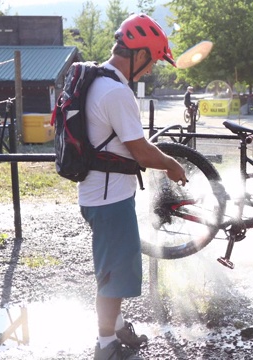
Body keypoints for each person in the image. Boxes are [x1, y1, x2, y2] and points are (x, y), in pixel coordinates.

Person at [81, 13, 187, 360]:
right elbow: (139, 150)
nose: (152, 69)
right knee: (114, 273)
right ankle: (106, 345)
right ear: (138, 54)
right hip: (109, 198)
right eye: (152, 60)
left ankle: (117, 326)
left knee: (111, 267)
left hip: (98, 193)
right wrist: (172, 165)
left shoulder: (99, 80)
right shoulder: (115, 92)